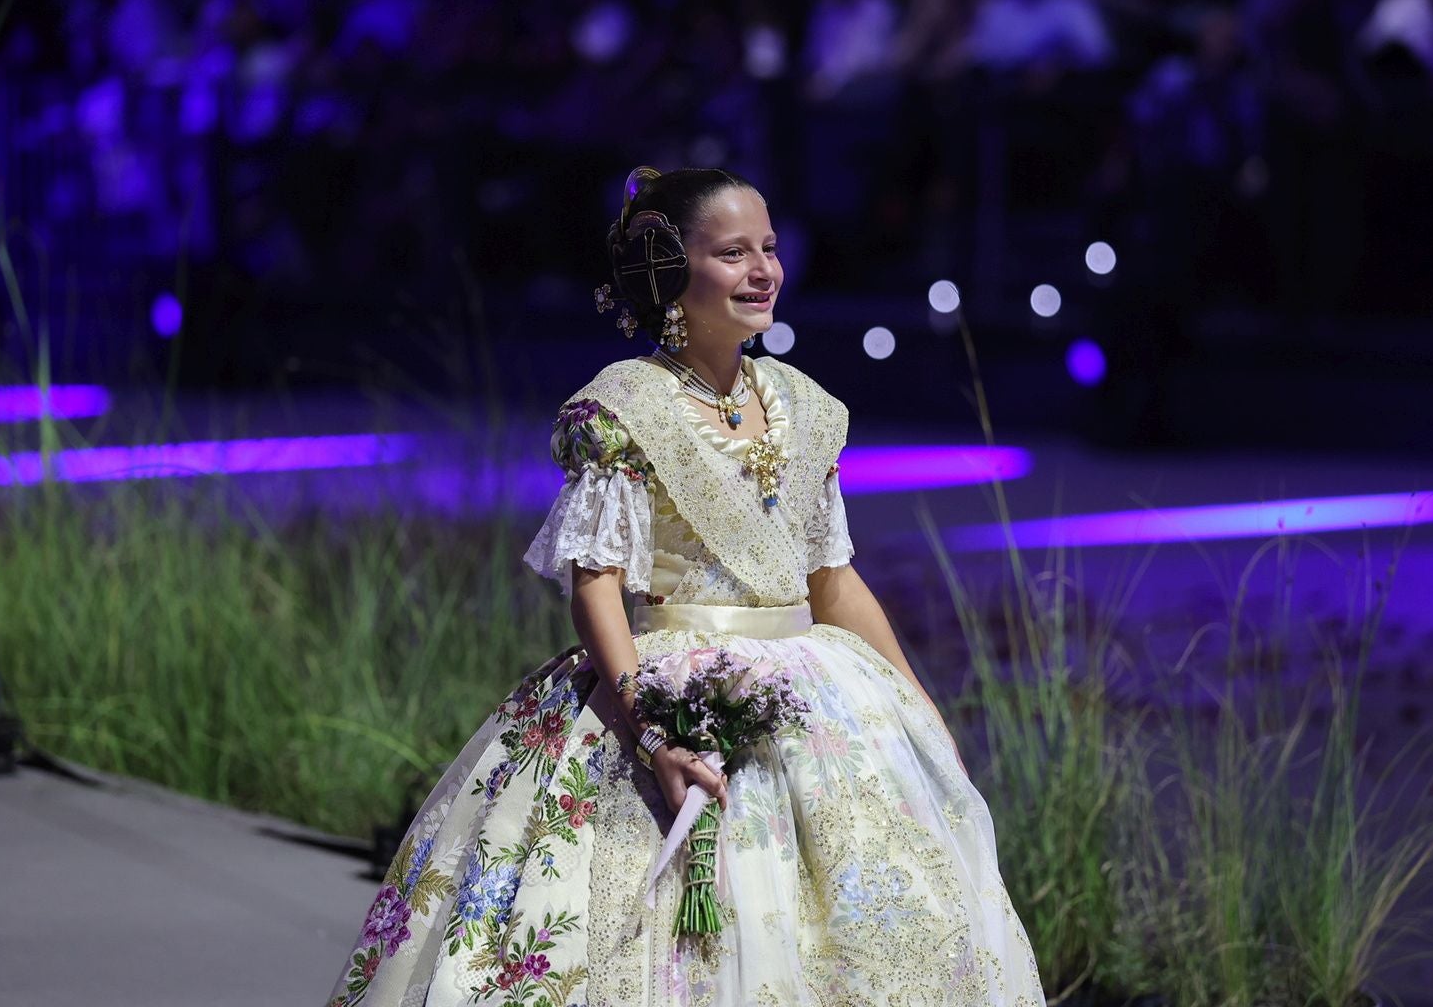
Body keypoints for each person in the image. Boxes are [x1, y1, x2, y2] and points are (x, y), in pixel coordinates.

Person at [324, 166, 1046, 1006]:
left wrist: (921, 715)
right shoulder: (625, 409)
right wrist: (650, 729)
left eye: (769, 249)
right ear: (672, 274)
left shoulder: (805, 407)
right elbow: (597, 587)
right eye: (732, 253)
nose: (762, 270)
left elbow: (833, 579)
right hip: (671, 681)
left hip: (819, 697)